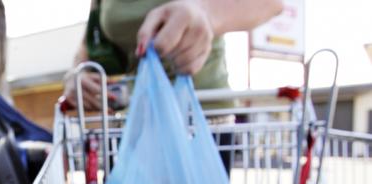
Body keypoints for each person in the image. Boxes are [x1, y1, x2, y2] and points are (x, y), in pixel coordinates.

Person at [63, 0, 284, 111]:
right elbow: (90, 43)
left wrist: (206, 14)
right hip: (133, 122)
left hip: (200, 117)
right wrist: (76, 75)